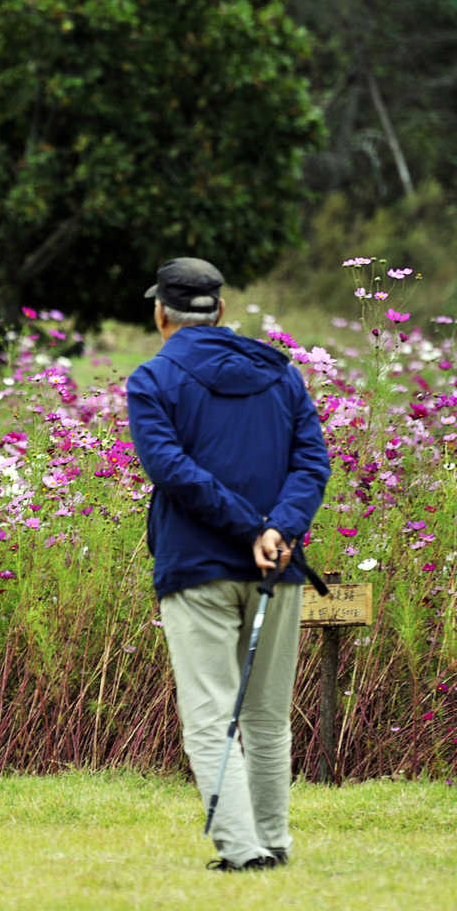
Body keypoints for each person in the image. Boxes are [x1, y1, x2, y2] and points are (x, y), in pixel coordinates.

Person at [126, 257, 331, 872]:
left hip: (197, 569)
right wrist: (276, 529)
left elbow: (171, 471)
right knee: (268, 718)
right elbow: (312, 464)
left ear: (161, 313)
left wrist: (253, 530)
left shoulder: (152, 379)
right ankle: (272, 844)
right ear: (221, 311)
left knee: (212, 716)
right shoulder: (281, 374)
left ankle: (244, 852)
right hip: (277, 566)